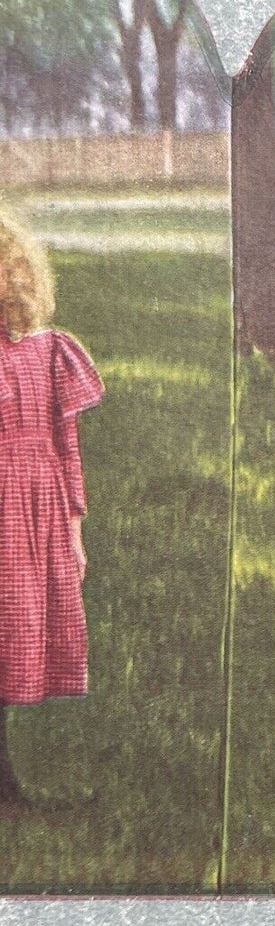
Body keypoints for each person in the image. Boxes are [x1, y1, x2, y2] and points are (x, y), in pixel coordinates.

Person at [0, 214, 104, 809]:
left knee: (16, 624)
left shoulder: (49, 351)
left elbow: (68, 447)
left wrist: (74, 525)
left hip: (34, 511)